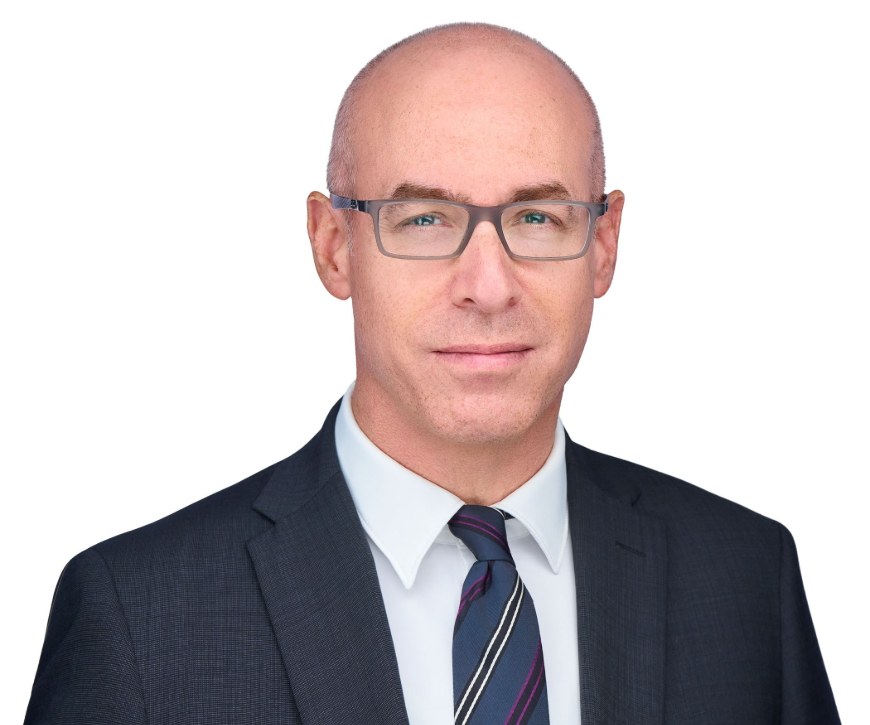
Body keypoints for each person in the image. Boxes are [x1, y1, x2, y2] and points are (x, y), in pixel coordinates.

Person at [24, 22, 839, 725]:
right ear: (333, 246)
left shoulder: (744, 579)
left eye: (537, 216)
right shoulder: (139, 618)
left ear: (603, 243)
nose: (488, 285)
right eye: (423, 220)